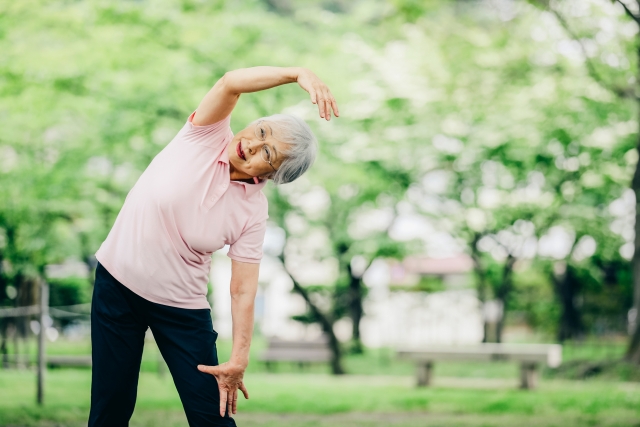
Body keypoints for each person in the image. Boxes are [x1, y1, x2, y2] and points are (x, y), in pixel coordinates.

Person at [89, 66, 339, 427]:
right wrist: (297, 74)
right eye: (261, 131)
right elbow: (230, 83)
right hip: (117, 286)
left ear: (268, 176)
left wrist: (238, 359)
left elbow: (242, 289)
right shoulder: (205, 134)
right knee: (110, 409)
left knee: (214, 417)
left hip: (181, 309)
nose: (251, 144)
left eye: (266, 154)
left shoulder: (254, 211)